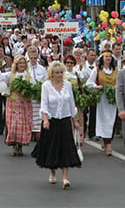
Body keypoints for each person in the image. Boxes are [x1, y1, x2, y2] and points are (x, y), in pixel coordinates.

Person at [33, 61, 81, 189]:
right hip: (52, 120)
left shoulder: (68, 85)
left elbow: (71, 104)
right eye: (57, 73)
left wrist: (75, 120)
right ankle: (52, 171)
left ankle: (65, 178)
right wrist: (45, 119)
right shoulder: (46, 86)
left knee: (66, 147)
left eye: (61, 72)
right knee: (52, 147)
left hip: (64, 120)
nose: (59, 75)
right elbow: (44, 104)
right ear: (51, 74)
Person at [86, 50, 118, 156]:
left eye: (110, 56)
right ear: (102, 59)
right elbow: (89, 83)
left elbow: (121, 82)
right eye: (106, 56)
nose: (108, 58)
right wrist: (97, 86)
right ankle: (108, 144)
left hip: (113, 99)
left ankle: (107, 140)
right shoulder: (97, 70)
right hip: (102, 99)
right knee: (103, 120)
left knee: (112, 120)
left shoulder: (116, 70)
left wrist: (117, 87)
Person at [0, 56, 33, 156]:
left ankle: (20, 146)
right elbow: (1, 77)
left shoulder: (28, 75)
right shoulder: (11, 74)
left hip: (24, 103)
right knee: (13, 125)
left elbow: (33, 86)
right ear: (16, 64)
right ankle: (14, 146)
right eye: (20, 63)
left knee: (23, 125)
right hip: (13, 101)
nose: (22, 65)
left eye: (23, 63)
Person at [28, 46, 47, 141]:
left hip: (39, 94)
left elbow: (45, 80)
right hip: (30, 95)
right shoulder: (26, 68)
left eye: (35, 58)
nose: (33, 60)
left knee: (39, 113)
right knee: (30, 113)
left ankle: (38, 132)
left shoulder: (42, 69)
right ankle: (31, 131)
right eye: (31, 58)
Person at [0, 45, 12, 135]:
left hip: (7, 86)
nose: (0, 52)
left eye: (1, 50)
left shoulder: (8, 59)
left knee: (7, 107)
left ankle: (6, 126)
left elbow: (12, 70)